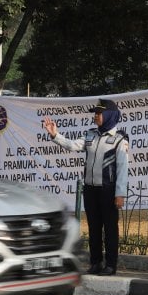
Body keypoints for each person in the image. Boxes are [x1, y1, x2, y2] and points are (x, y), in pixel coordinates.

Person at [43, 99, 129, 276]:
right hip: (90, 189)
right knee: (94, 227)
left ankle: (111, 265)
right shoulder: (91, 134)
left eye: (99, 113)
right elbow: (74, 145)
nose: (95, 116)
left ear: (109, 115)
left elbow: (122, 168)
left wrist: (120, 194)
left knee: (110, 229)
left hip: (108, 190)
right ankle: (95, 263)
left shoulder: (120, 139)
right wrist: (55, 135)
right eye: (95, 113)